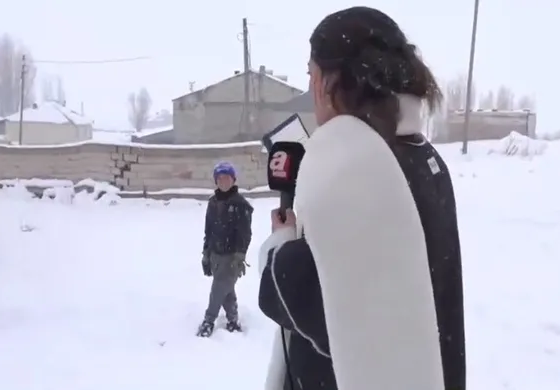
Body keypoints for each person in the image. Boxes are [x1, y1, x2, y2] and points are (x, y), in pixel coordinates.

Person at [256, 6, 465, 390]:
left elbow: (328, 309)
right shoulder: (421, 155)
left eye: (311, 75)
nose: (312, 91)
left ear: (333, 81)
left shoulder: (357, 166)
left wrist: (279, 247)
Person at [196, 161, 253, 337]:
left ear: (233, 180)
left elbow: (245, 233)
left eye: (227, 178)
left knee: (218, 288)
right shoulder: (213, 202)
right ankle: (233, 320)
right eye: (219, 178)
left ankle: (208, 320)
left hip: (231, 256)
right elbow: (208, 230)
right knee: (226, 290)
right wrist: (206, 253)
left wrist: (240, 255)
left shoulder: (241, 204)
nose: (223, 182)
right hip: (215, 254)